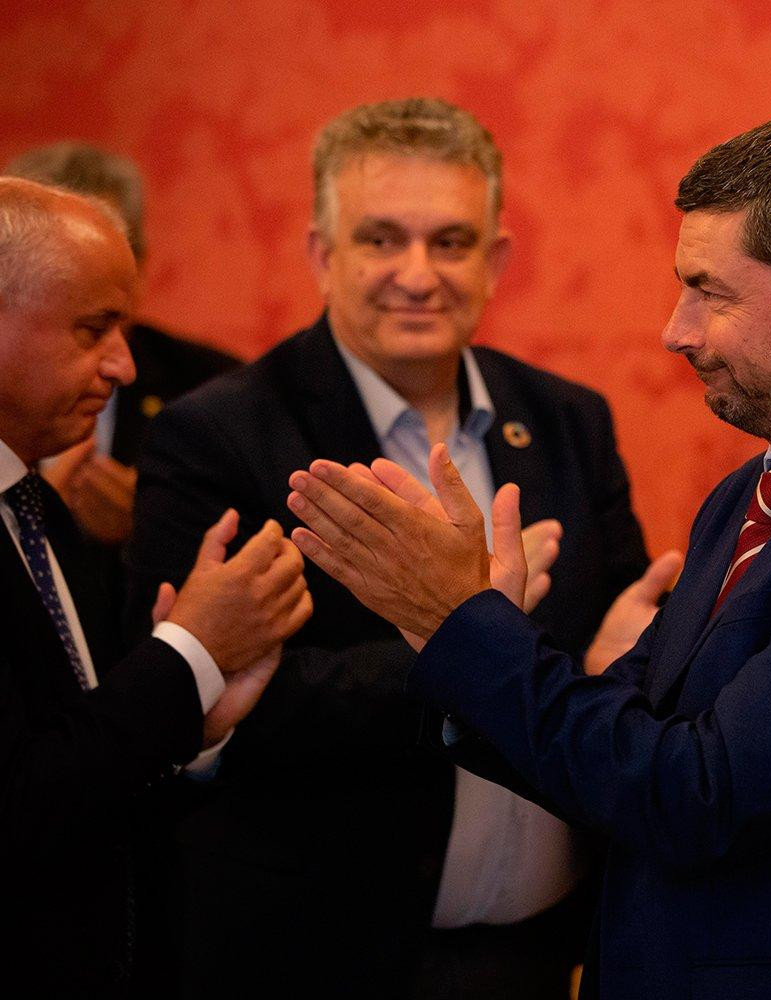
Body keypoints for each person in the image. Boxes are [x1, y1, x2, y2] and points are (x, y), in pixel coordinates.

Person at [287, 109, 771, 1000]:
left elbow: (694, 797)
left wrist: (461, 623)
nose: (675, 331)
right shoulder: (753, 492)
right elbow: (625, 735)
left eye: (711, 294)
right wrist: (460, 635)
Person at [127, 98, 669, 998]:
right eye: (381, 240)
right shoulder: (215, 437)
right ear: (320, 254)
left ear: (495, 262)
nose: (418, 275)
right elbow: (205, 700)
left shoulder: (571, 421)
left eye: (451, 243)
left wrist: (632, 656)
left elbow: (600, 655)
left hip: (548, 952)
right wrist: (468, 638)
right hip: (320, 960)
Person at [0, 178, 311, 997]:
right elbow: (19, 802)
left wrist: (197, 725)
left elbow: (88, 778)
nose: (125, 365)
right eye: (93, 328)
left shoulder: (38, 512)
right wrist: (190, 651)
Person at [4, 143, 237, 582]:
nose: (121, 368)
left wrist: (146, 530)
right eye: (62, 264)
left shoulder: (213, 389)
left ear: (138, 263)